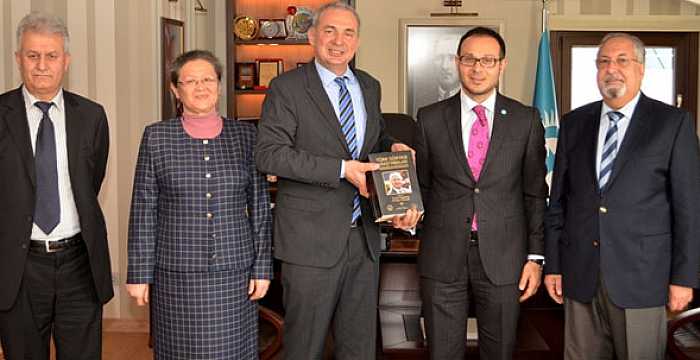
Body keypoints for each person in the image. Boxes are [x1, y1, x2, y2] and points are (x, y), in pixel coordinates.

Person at [255, 2, 420, 359]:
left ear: (357, 41)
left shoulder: (369, 85)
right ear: (312, 36)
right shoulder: (287, 88)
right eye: (329, 30)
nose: (338, 41)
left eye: (348, 33)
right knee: (304, 347)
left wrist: (393, 145)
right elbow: (269, 154)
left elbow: (372, 140)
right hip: (309, 241)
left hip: (363, 239)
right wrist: (342, 169)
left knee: (359, 347)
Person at [544, 33, 700, 360]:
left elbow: (689, 208)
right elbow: (558, 202)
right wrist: (554, 266)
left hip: (643, 278)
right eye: (603, 62)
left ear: (641, 69)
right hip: (580, 275)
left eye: (622, 61)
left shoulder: (672, 123)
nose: (611, 69)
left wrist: (684, 278)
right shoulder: (574, 123)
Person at [126, 50, 272, 359]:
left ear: (219, 85)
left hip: (235, 273)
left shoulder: (246, 135)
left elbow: (260, 208)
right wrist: (138, 273)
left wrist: (262, 267)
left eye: (208, 79)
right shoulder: (156, 137)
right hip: (176, 274)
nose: (201, 87)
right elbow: (143, 209)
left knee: (232, 352)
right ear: (175, 90)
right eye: (190, 81)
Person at [414, 26, 547, 360]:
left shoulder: (525, 120)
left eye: (488, 60)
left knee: (500, 351)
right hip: (442, 255)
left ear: (502, 65)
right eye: (470, 59)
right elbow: (424, 187)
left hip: (505, 257)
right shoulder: (429, 119)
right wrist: (407, 212)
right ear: (458, 63)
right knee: (442, 352)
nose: (477, 68)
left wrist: (535, 257)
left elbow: (534, 193)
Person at [0, 12, 112, 360]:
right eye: (32, 55)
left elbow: (90, 184)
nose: (41, 65)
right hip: (17, 270)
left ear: (66, 61)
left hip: (79, 264)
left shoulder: (92, 116)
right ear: (18, 59)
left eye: (51, 56)